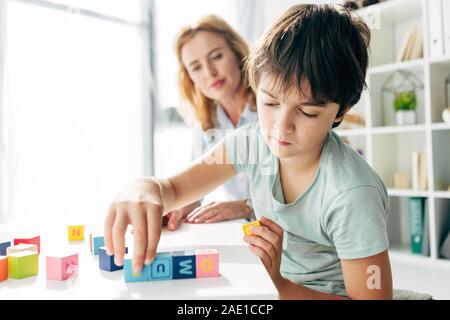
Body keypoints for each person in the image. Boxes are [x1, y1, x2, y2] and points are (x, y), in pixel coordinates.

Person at [105, 4, 393, 299]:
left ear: (340, 111)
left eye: (306, 112)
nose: (281, 127)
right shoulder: (251, 142)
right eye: (269, 103)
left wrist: (279, 285)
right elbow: (173, 188)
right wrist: (144, 188)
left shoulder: (352, 194)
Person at [163, 15, 258, 231]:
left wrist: (247, 206)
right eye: (196, 67)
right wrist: (178, 209)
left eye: (216, 56)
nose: (209, 73)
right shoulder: (206, 124)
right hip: (247, 235)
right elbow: (195, 189)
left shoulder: (272, 106)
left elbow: (301, 189)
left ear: (237, 53)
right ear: (189, 77)